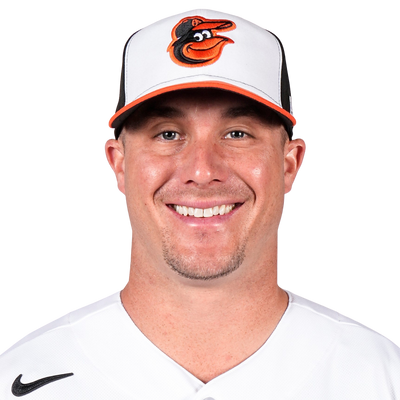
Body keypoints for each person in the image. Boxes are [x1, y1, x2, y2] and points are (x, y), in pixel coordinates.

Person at [1, 6, 399, 399]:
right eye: (168, 134)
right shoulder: (17, 376)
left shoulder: (385, 376)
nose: (203, 170)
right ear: (116, 163)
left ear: (290, 164)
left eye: (238, 133)